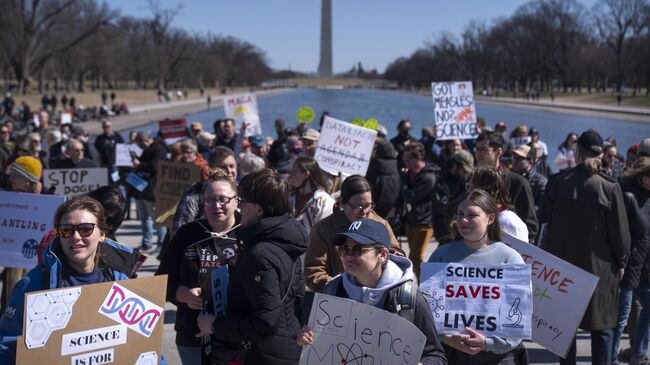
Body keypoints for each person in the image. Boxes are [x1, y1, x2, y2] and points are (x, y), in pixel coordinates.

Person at [0, 196, 143, 364]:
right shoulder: (35, 283)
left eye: (85, 229)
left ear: (102, 234)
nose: (75, 236)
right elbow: (6, 346)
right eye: (67, 230)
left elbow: (144, 344)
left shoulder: (121, 282)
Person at [297, 219, 448, 365]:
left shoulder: (408, 297)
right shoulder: (333, 289)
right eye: (344, 249)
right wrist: (306, 337)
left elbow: (436, 355)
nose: (348, 256)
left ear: (382, 255)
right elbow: (319, 342)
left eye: (357, 250)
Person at [195, 169, 307, 364]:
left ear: (260, 209)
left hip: (263, 356)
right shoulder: (284, 240)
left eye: (243, 201)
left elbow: (265, 324)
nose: (239, 207)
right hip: (285, 349)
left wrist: (214, 325)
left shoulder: (261, 254)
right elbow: (295, 299)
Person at [540, 130, 631, 365]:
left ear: (577, 152)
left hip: (561, 271)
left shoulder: (556, 182)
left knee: (564, 332)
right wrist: (622, 261)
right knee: (602, 330)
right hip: (598, 271)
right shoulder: (609, 188)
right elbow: (620, 234)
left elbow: (544, 225)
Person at [428, 189, 527, 364]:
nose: (463, 220)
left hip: (500, 357)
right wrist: (446, 337)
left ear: (490, 218)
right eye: (460, 214)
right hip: (451, 353)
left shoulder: (510, 258)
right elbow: (429, 309)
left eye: (472, 215)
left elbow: (517, 317)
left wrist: (487, 343)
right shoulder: (441, 256)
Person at [156, 173, 241, 364]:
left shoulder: (249, 232)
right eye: (210, 200)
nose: (216, 205)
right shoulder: (188, 233)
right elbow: (161, 280)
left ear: (236, 201)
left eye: (223, 199)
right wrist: (184, 294)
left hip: (237, 333)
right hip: (192, 334)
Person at [304, 175, 404, 292]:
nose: (364, 212)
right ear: (342, 203)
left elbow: (399, 258)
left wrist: (391, 257)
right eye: (357, 207)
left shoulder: (381, 224)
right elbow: (314, 272)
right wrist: (343, 288)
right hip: (339, 301)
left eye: (368, 205)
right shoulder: (323, 229)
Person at [612, 157, 650, 365]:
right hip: (627, 265)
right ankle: (611, 358)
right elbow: (620, 232)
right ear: (644, 178)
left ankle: (638, 353)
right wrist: (621, 262)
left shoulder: (647, 196)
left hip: (645, 266)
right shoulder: (627, 196)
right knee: (621, 317)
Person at [474, 131, 538, 242]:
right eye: (477, 149)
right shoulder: (469, 179)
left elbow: (531, 226)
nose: (478, 154)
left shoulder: (518, 183)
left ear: (498, 152)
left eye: (483, 150)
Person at [171, 147, 238, 237]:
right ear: (211, 168)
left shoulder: (244, 192)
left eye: (232, 166)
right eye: (223, 167)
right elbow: (180, 232)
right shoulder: (195, 195)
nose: (229, 171)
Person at [400, 142, 439, 281]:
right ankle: (420, 282)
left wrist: (403, 180)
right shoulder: (410, 173)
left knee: (415, 257)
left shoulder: (429, 177)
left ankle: (425, 284)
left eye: (409, 158)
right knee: (414, 256)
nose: (405, 160)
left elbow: (410, 196)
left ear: (419, 157)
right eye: (404, 157)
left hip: (424, 222)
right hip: (411, 221)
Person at [131, 132, 168, 252]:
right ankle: (147, 242)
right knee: (144, 218)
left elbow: (156, 166)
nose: (141, 148)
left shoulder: (159, 149)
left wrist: (140, 164)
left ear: (145, 141)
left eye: (141, 145)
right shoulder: (147, 150)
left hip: (153, 188)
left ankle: (161, 244)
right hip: (142, 188)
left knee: (157, 219)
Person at [289, 157, 335, 234]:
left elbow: (322, 233)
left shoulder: (324, 202)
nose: (290, 173)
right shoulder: (287, 197)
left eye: (294, 170)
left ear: (306, 174)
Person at [366, 139, 400, 219]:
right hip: (390, 207)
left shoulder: (374, 165)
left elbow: (367, 185)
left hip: (375, 205)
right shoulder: (395, 165)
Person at [510, 144, 547, 213]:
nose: (515, 161)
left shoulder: (540, 182)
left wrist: (522, 207)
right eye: (514, 157)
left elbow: (543, 209)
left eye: (520, 158)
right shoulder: (509, 177)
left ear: (530, 161)